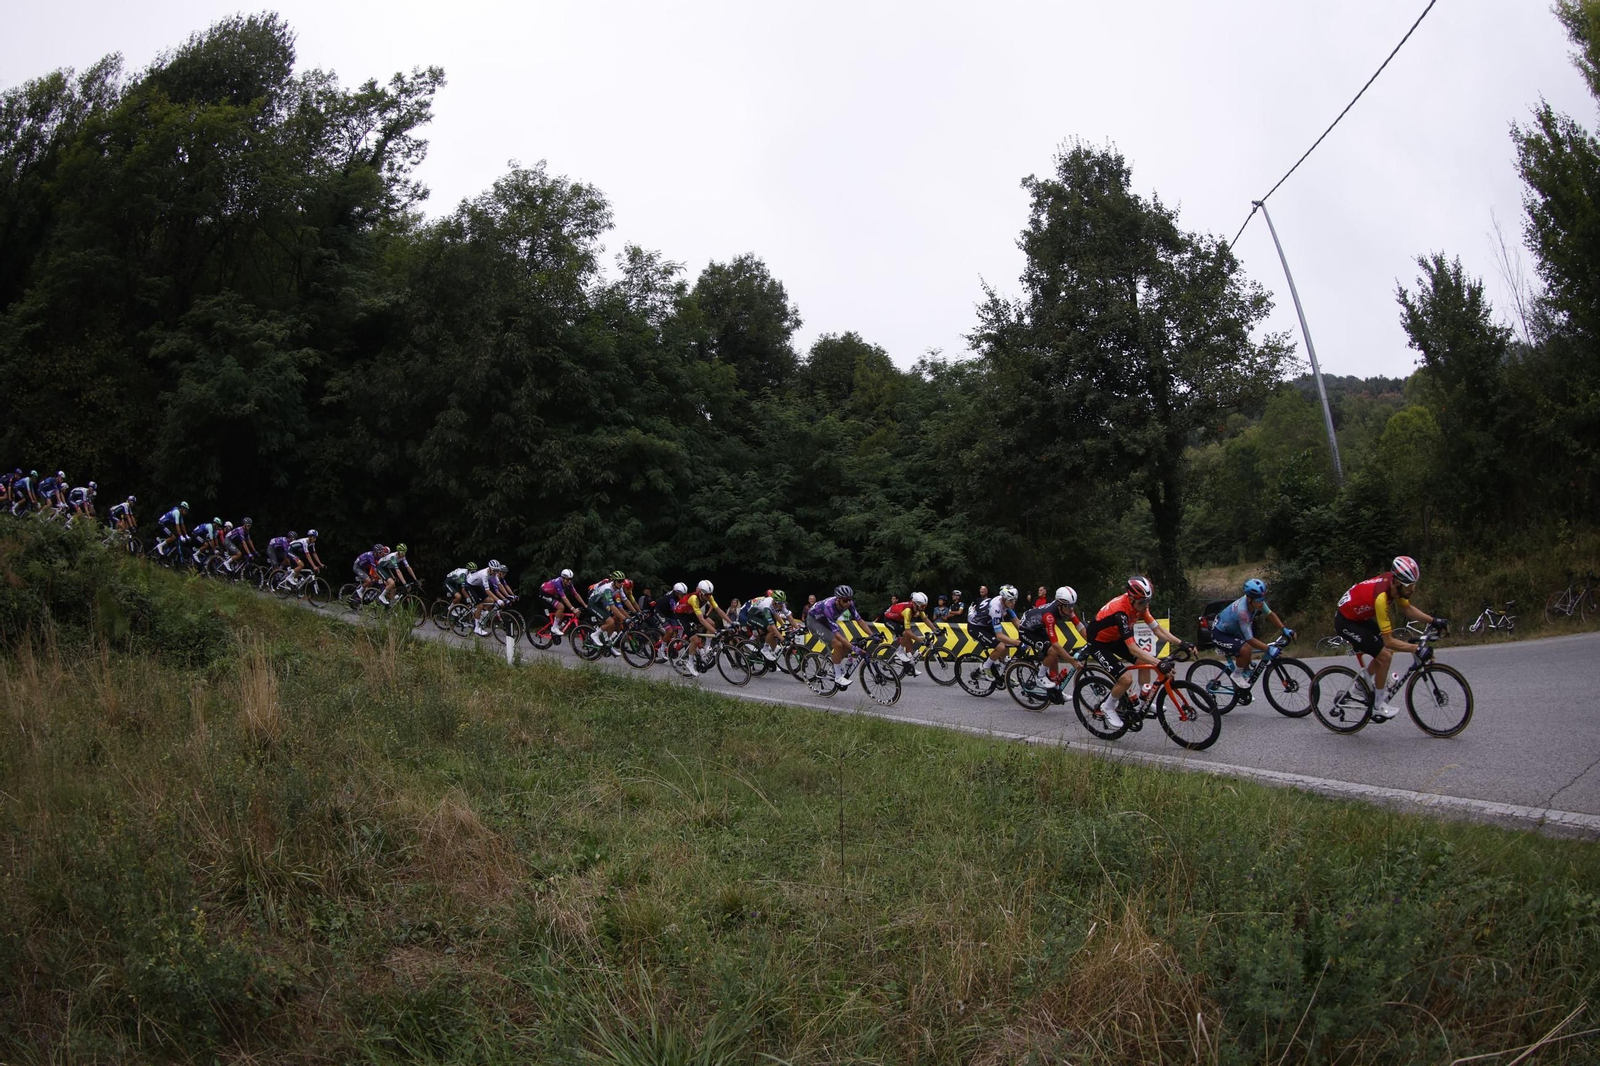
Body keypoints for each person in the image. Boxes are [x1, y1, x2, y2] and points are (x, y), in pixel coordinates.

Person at [1333, 556, 1445, 721]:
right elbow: (1389, 640)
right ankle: (1378, 706)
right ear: (1398, 583)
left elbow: (1407, 609)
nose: (1413, 589)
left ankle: (1359, 688)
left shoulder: (1394, 585)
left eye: (1415, 584)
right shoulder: (1382, 598)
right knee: (1385, 654)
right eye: (1410, 585)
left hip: (1359, 617)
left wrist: (1434, 621)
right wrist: (1417, 649)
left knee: (1387, 652)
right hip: (1346, 622)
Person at [1084, 576, 1190, 730]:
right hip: (1098, 643)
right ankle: (1107, 707)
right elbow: (1133, 649)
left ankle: (1142, 700)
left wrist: (1182, 643)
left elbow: (1158, 630)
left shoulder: (1140, 606)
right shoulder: (1121, 612)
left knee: (1144, 663)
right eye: (1142, 602)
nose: (1146, 605)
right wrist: (1159, 663)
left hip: (1114, 638)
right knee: (1126, 679)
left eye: (1148, 601)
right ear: (1132, 599)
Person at [1212, 578, 1295, 681]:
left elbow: (1270, 614)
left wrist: (1284, 629)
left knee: (1247, 660)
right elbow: (1250, 639)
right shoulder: (1242, 612)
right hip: (1220, 633)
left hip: (1234, 630)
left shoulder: (1256, 601)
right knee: (1246, 649)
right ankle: (1236, 676)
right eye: (1259, 600)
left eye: (1263, 599)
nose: (1262, 603)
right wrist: (1268, 649)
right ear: (1249, 599)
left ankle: (1243, 693)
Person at [1018, 586, 1085, 698]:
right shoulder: (1049, 616)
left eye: (1073, 605)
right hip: (1026, 631)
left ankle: (1056, 690)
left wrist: (1092, 641)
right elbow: (1055, 645)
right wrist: (1071, 661)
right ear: (1060, 605)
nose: (1071, 609)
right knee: (1053, 651)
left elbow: (1079, 626)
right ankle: (1040, 676)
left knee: (1054, 657)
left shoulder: (1065, 608)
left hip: (1037, 627)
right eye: (1069, 606)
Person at [674, 579, 732, 675]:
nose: (708, 597)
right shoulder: (694, 598)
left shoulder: (708, 596)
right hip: (681, 615)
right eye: (706, 595)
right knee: (696, 640)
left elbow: (718, 610)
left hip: (691, 613)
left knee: (712, 624)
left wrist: (731, 622)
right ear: (700, 592)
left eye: (710, 594)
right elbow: (701, 620)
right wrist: (715, 632)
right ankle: (690, 663)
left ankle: (706, 647)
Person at [805, 585, 858, 686]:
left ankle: (834, 666)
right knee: (837, 644)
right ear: (838, 600)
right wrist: (855, 649)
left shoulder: (849, 603)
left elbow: (859, 620)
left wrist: (872, 635)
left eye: (850, 600)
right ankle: (838, 677)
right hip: (814, 622)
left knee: (846, 646)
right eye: (846, 600)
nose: (848, 603)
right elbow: (837, 635)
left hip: (827, 621)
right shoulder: (828, 606)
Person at [968, 585, 1021, 680]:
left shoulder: (1006, 602)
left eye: (1015, 600)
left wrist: (1028, 634)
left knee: (1006, 644)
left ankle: (1004, 672)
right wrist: (1017, 642)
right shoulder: (996, 608)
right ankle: (984, 668)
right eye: (1011, 600)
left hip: (987, 625)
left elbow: (1017, 622)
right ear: (1004, 599)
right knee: (1000, 646)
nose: (1014, 603)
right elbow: (999, 636)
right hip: (976, 627)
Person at [880, 592, 931, 675]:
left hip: (898, 619)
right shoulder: (908, 611)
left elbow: (925, 619)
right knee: (907, 634)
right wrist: (921, 641)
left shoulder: (918, 608)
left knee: (909, 640)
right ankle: (900, 652)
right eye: (922, 606)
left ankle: (909, 665)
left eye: (925, 606)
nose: (924, 608)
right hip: (889, 619)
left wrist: (935, 629)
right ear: (915, 604)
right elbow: (908, 632)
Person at [585, 571, 632, 652]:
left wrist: (636, 613)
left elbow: (626, 601)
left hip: (601, 603)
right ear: (614, 581)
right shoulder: (607, 589)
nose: (622, 583)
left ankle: (608, 644)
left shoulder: (619, 588)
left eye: (623, 581)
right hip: (593, 604)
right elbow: (613, 607)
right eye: (619, 581)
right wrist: (625, 619)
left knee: (612, 624)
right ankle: (595, 635)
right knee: (610, 621)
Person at [746, 589, 790, 663]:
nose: (781, 605)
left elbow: (778, 615)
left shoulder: (776, 603)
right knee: (772, 629)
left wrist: (785, 625)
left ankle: (766, 647)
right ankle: (764, 649)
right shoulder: (767, 606)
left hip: (760, 614)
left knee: (772, 630)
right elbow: (773, 627)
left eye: (783, 603)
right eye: (780, 603)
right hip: (753, 615)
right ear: (774, 601)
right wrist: (783, 640)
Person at [539, 569, 584, 636]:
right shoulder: (558, 583)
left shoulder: (569, 583)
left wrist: (585, 605)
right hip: (544, 593)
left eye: (570, 579)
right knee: (561, 607)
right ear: (562, 578)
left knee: (561, 614)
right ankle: (554, 628)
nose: (569, 581)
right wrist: (573, 609)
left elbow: (576, 594)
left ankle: (555, 629)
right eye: (567, 579)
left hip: (551, 594)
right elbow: (564, 598)